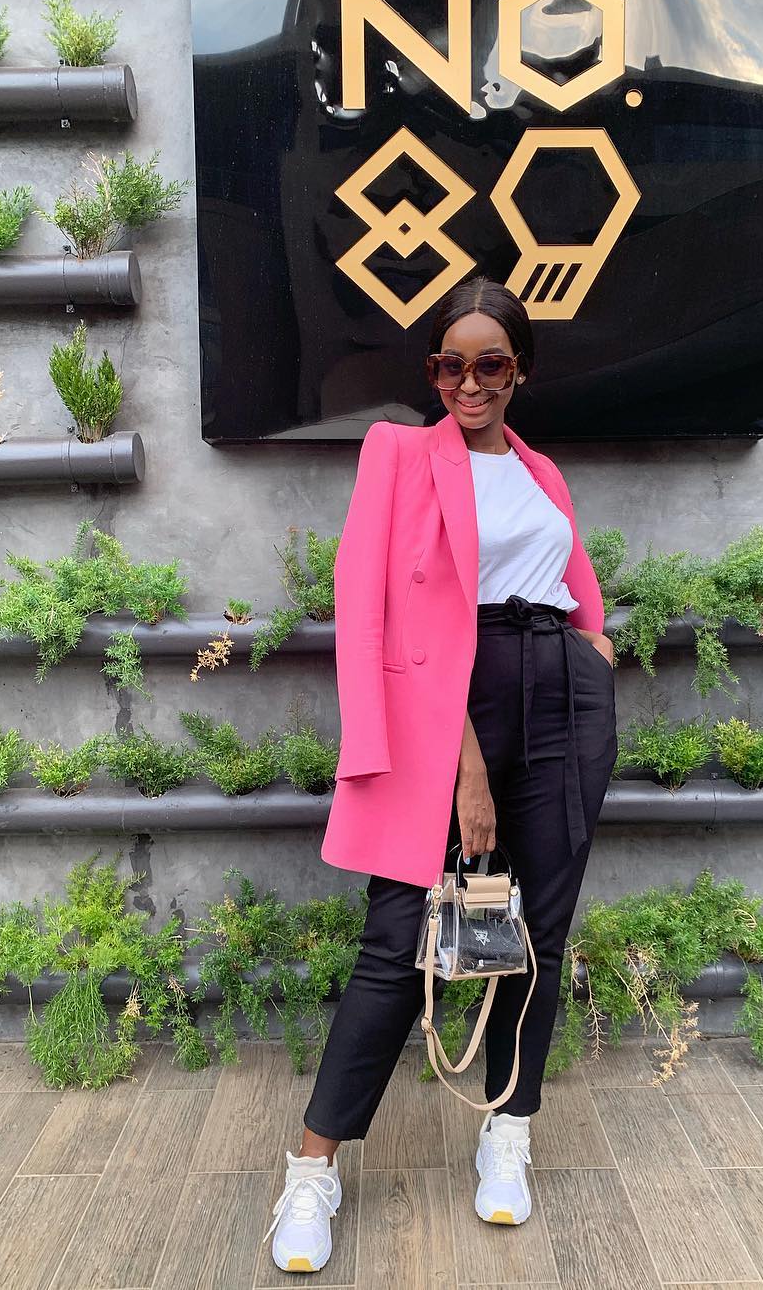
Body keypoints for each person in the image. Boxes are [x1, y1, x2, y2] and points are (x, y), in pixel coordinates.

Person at [265, 276, 618, 1274]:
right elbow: (373, 609)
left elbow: (572, 582)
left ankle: (508, 1129)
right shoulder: (398, 455)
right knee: (394, 943)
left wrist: (594, 652)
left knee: (536, 937)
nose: (469, 381)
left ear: (520, 370)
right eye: (449, 364)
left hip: (561, 698)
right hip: (449, 712)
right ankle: (313, 1170)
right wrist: (463, 764)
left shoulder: (542, 472)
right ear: (432, 372)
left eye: (490, 363)